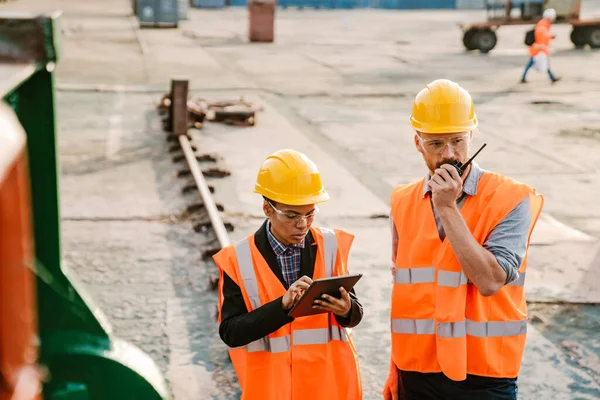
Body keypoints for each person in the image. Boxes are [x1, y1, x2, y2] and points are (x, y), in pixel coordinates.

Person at [382, 79, 544, 400]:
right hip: (416, 371)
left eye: (458, 140)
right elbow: (408, 288)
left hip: (483, 375)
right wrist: (397, 370)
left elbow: (490, 280)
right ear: (418, 143)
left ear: (472, 135)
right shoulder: (402, 200)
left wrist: (446, 208)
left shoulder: (511, 198)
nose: (449, 154)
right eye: (436, 144)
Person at [214, 149, 363, 400]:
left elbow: (354, 314)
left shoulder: (330, 245)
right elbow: (231, 332)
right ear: (267, 208)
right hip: (273, 391)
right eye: (292, 215)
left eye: (310, 213)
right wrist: (281, 307)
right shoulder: (238, 259)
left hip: (327, 389)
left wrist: (346, 309)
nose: (303, 224)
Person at [521, 8, 561, 84]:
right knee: (539, 63)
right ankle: (552, 77)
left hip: (539, 48)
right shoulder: (543, 24)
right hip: (539, 48)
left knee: (533, 63)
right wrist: (550, 36)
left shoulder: (544, 24)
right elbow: (542, 35)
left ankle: (552, 77)